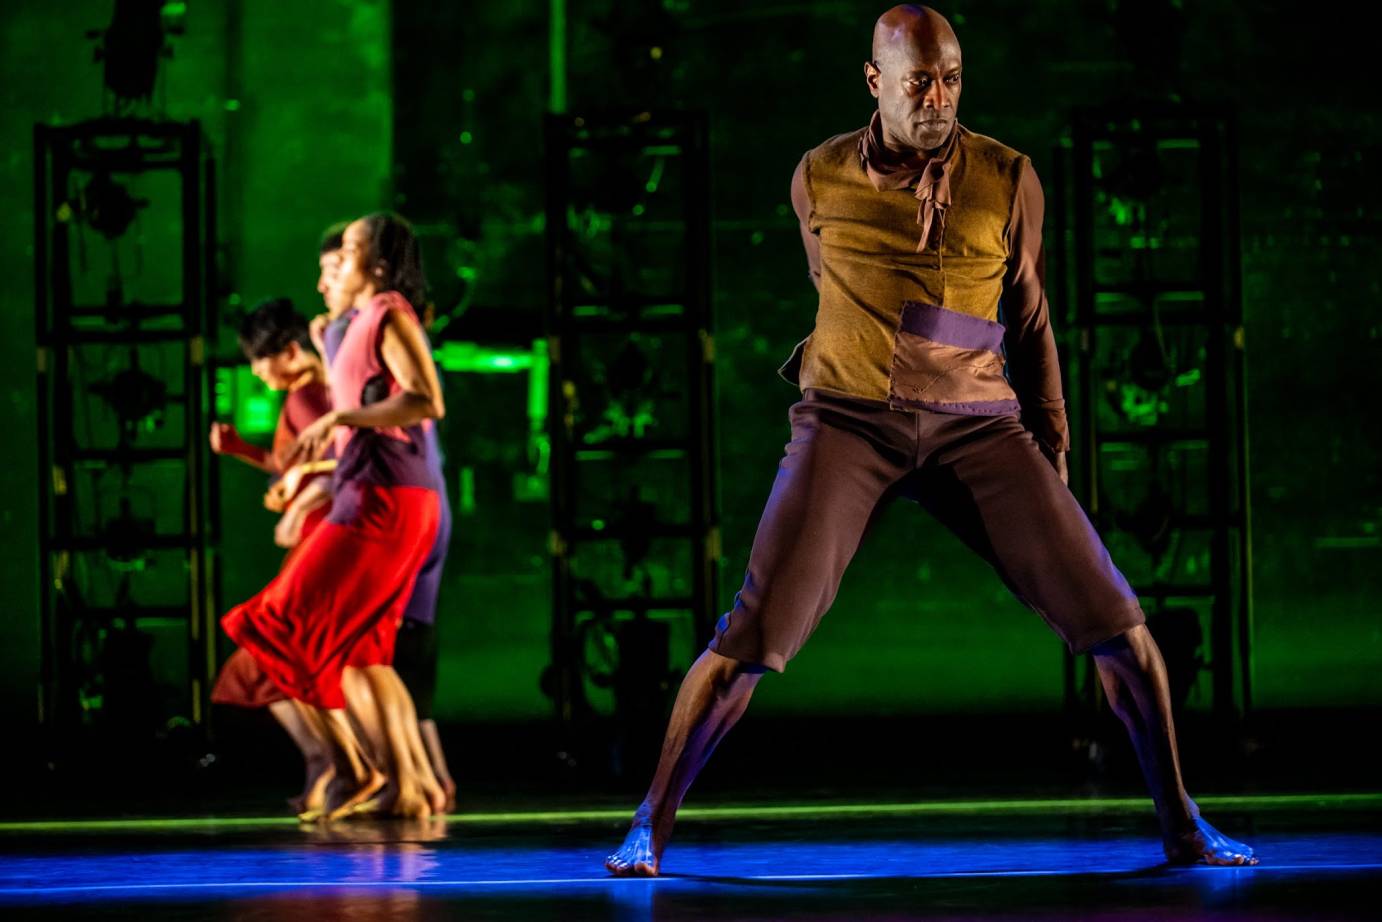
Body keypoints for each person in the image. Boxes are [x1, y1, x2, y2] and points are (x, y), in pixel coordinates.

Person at [606, 4, 1256, 876]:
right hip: (847, 421)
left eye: (951, 80)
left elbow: (1030, 315)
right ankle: (649, 821)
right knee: (751, 638)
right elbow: (829, 278)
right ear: (875, 80)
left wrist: (1052, 440)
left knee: (1121, 628)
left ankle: (1181, 823)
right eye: (920, 82)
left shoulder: (1006, 175)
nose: (939, 99)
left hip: (978, 427)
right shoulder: (818, 174)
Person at [223, 212, 446, 819]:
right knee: (360, 655)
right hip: (373, 495)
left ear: (375, 267)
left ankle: (354, 768)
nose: (330, 269)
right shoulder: (353, 326)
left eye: (344, 255)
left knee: (274, 625)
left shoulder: (389, 314)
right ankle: (406, 784)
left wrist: (338, 421)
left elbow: (427, 399)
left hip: (384, 500)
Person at [208, 298, 338, 813]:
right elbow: (295, 468)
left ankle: (326, 759)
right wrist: (242, 449)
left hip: (318, 539)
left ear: (288, 351)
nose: (257, 374)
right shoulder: (310, 395)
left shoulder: (308, 397)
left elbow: (335, 467)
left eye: (259, 363)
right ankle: (328, 761)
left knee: (263, 651)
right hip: (313, 537)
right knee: (281, 654)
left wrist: (298, 502)